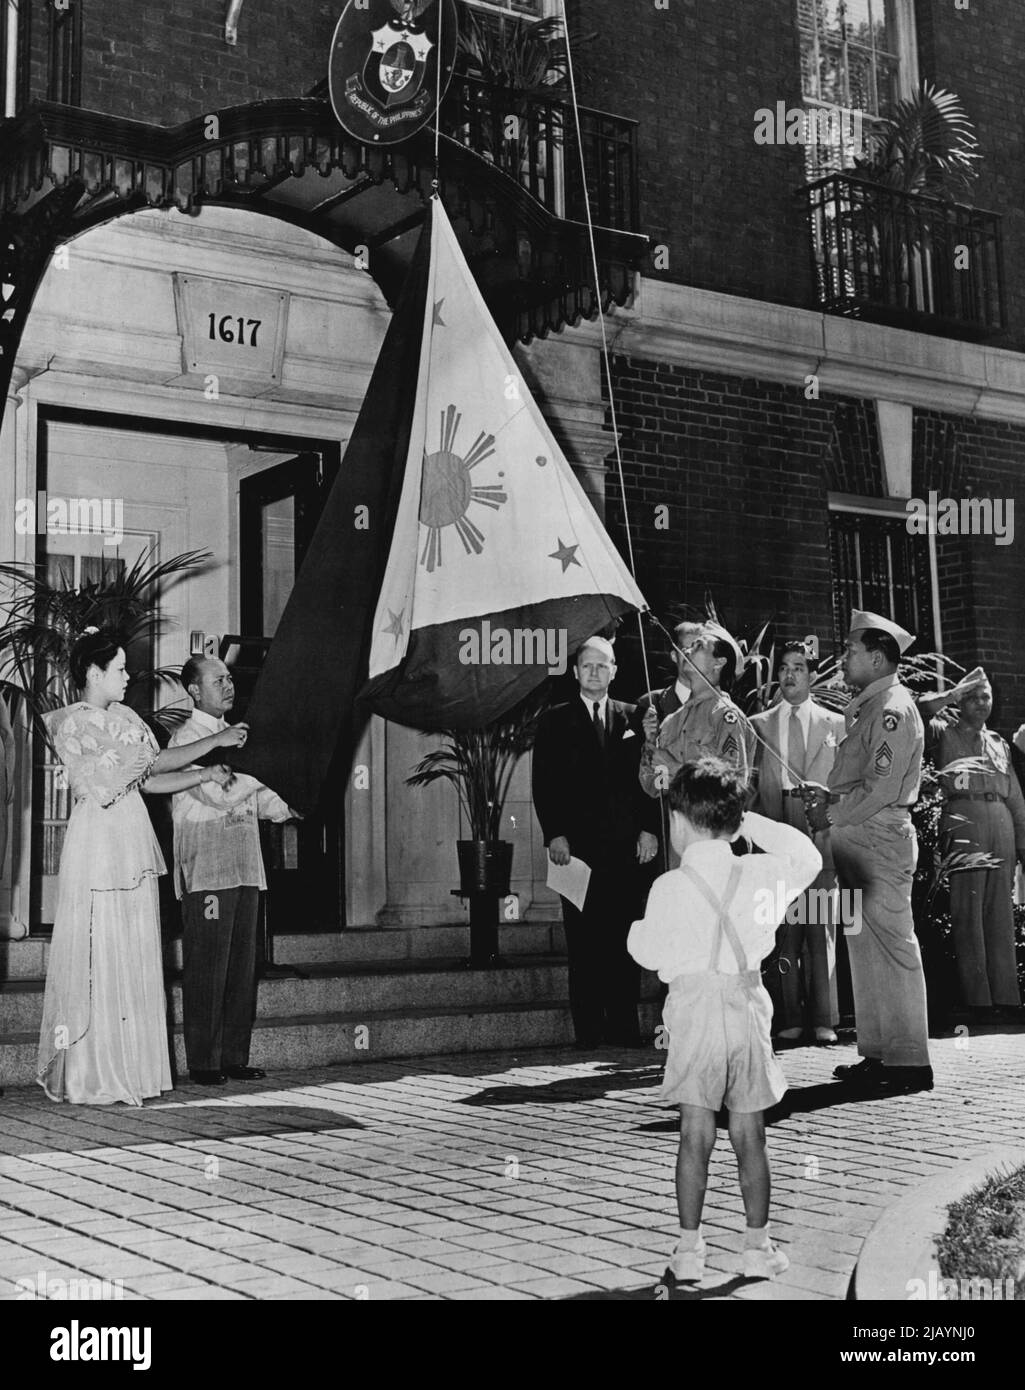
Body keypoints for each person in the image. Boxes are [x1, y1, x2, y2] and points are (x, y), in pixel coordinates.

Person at [628, 758, 821, 1283]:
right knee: (749, 1134)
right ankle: (757, 1247)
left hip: (693, 1015)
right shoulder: (763, 874)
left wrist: (637, 933)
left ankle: (689, 1250)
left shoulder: (669, 886)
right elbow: (806, 855)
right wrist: (746, 823)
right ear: (733, 822)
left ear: (683, 824)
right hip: (746, 1009)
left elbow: (646, 952)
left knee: (694, 1134)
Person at [37, 629, 243, 1106]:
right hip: (99, 840)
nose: (129, 677)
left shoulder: (127, 716)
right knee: (102, 946)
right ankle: (93, 1073)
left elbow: (148, 778)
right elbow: (120, 775)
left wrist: (205, 768)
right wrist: (202, 748)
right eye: (120, 670)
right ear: (93, 673)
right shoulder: (70, 723)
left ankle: (131, 1069)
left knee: (133, 943)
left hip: (131, 836)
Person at [801, 611, 931, 1094]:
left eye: (852, 652)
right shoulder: (871, 706)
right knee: (866, 947)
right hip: (860, 837)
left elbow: (883, 787)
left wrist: (833, 814)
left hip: (876, 835)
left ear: (877, 658)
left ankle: (910, 1061)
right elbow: (862, 782)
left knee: (893, 946)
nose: (844, 660)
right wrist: (830, 797)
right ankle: (881, 1053)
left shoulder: (892, 708)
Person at [171, 656, 299, 1085]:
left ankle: (232, 1056)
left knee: (241, 965)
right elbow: (218, 793)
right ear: (193, 690)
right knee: (207, 963)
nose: (228, 685)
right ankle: (204, 1062)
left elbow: (257, 800)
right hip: (208, 867)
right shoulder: (188, 739)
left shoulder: (240, 739)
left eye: (229, 679)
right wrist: (263, 773)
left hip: (244, 863)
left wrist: (290, 805)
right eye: (218, 680)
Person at [531, 636, 659, 1048]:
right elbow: (544, 784)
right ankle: (588, 1032)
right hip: (577, 851)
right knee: (584, 943)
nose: (594, 672)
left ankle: (623, 1029)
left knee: (622, 940)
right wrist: (555, 833)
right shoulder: (554, 720)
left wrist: (648, 829)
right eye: (587, 665)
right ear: (575, 672)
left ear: (615, 671)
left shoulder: (634, 716)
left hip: (624, 849)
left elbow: (647, 779)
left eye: (602, 666)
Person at [751, 641, 844, 1045]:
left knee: (820, 917)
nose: (790, 674)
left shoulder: (836, 724)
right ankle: (789, 1015)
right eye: (784, 668)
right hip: (778, 821)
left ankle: (825, 1017)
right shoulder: (758, 724)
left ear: (811, 675)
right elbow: (751, 785)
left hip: (820, 825)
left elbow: (846, 781)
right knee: (785, 921)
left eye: (799, 667)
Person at [919, 669, 1025, 1015]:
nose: (981, 703)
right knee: (969, 909)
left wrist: (1022, 839)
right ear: (960, 701)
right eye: (973, 697)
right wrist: (951, 694)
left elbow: (1016, 795)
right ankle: (978, 1000)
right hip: (964, 817)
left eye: (986, 696)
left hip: (1001, 820)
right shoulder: (943, 733)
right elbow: (919, 709)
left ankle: (1007, 998)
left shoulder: (998, 742)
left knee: (999, 911)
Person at [639, 621, 755, 804]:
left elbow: (733, 787)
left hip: (712, 829)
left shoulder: (725, 715)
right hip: (678, 827)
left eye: (698, 646)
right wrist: (651, 742)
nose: (686, 651)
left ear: (719, 663)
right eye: (689, 646)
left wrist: (676, 768)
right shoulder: (671, 720)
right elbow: (657, 788)